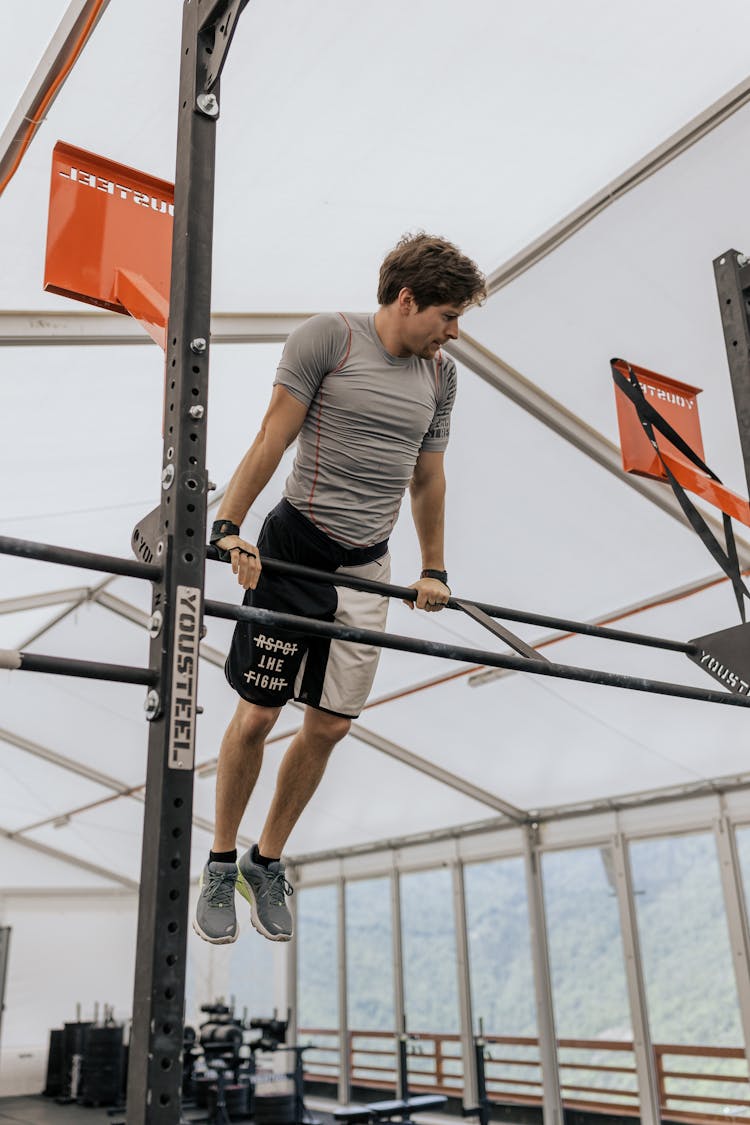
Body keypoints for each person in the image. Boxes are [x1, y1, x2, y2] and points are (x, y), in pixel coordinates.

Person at [193, 232, 486, 945]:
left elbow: (427, 477)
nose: (454, 331)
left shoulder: (441, 377)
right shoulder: (329, 339)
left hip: (367, 567)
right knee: (259, 716)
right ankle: (219, 859)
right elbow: (271, 437)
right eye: (447, 315)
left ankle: (266, 862)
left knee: (328, 726)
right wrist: (230, 524)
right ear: (406, 299)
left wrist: (434, 568)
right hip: (292, 552)